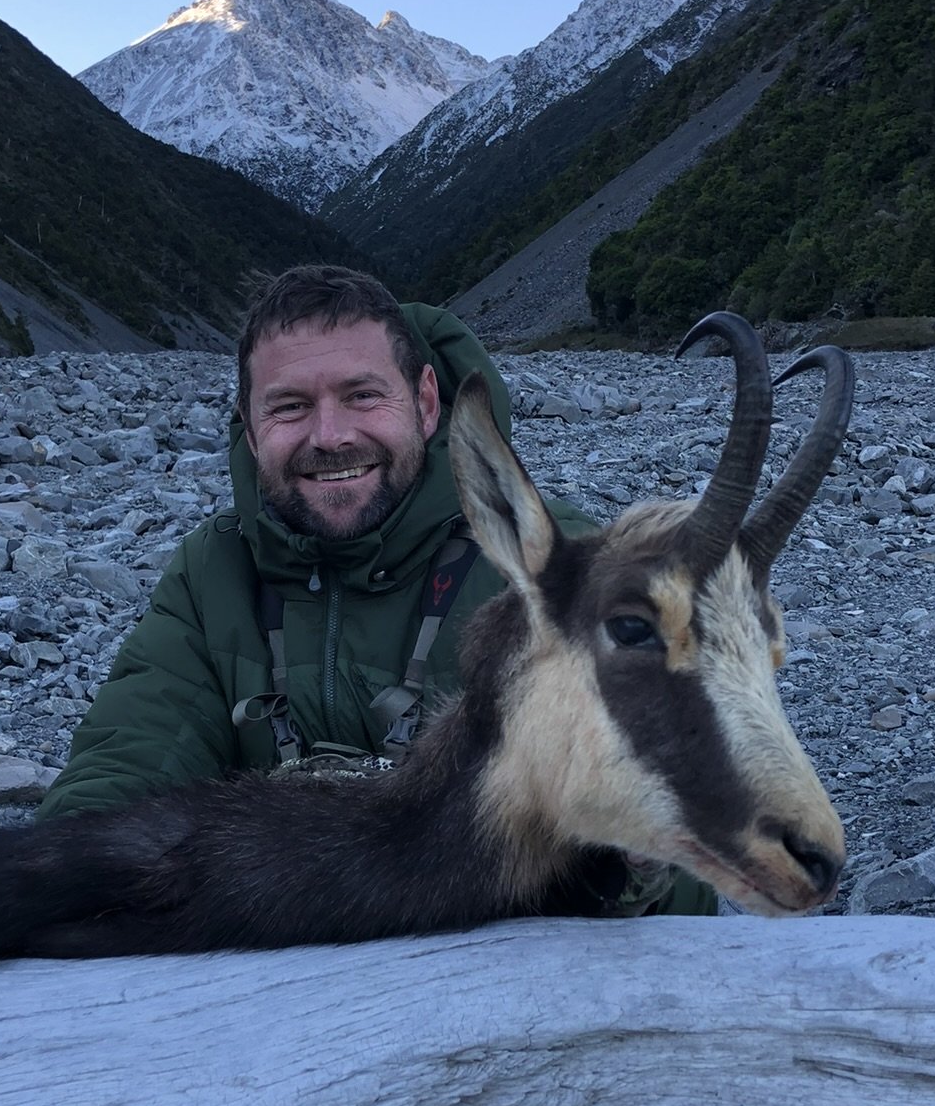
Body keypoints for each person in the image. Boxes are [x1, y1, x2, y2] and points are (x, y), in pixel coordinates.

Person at [36, 264, 713, 917]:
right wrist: (59, 879)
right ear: (248, 422)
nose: (330, 437)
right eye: (291, 407)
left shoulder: (559, 565)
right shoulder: (214, 571)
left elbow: (692, 863)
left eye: (362, 396)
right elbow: (124, 764)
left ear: (424, 403)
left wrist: (625, 866)